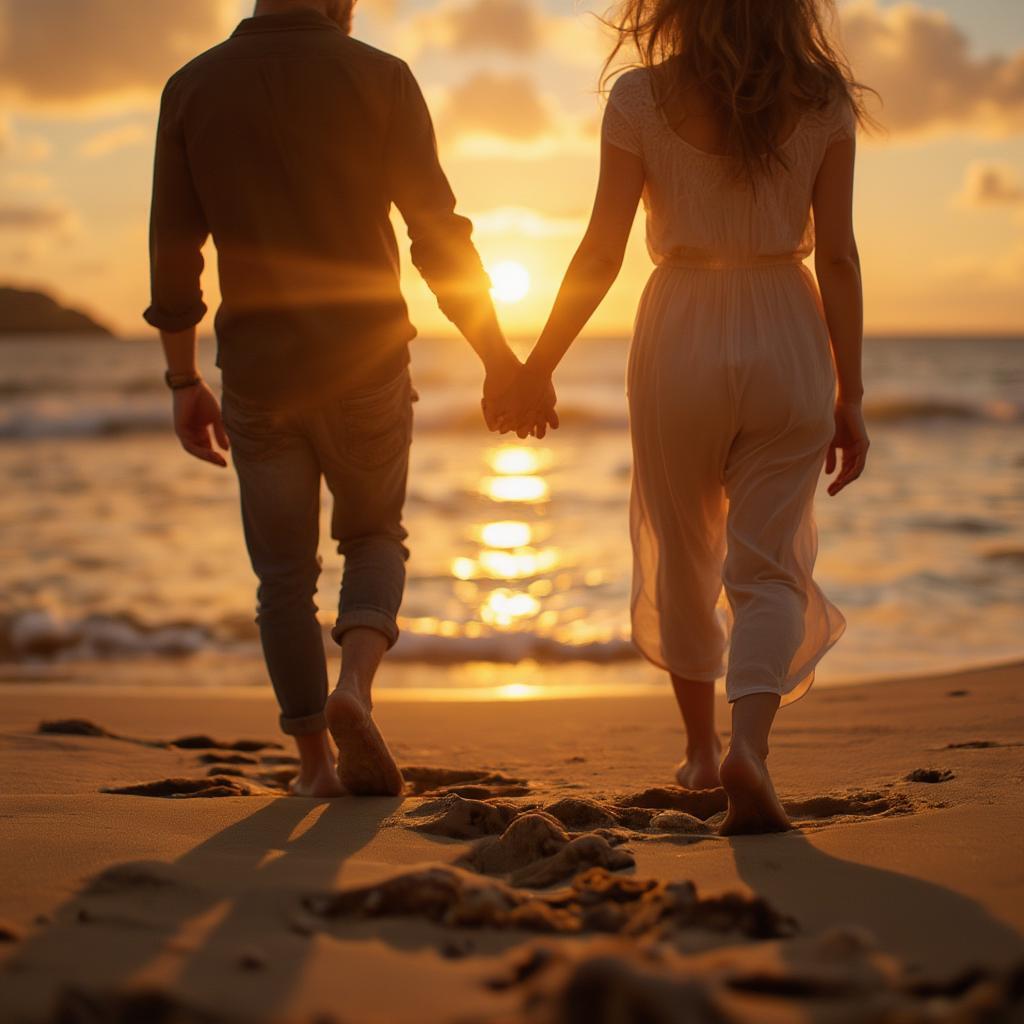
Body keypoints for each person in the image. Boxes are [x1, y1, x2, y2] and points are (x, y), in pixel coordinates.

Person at [144, 0, 554, 798]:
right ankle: (354, 689)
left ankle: (313, 768)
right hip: (366, 365)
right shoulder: (382, 79)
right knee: (373, 538)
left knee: (282, 580)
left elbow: (172, 254)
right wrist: (499, 358)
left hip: (258, 374)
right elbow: (438, 237)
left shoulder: (191, 87)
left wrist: (183, 380)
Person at [491, 0, 871, 834]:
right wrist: (850, 393)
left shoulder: (639, 99)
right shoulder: (825, 99)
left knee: (684, 548)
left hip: (679, 330)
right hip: (788, 326)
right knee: (769, 568)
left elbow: (600, 248)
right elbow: (837, 255)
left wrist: (538, 366)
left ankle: (701, 753)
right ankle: (751, 750)